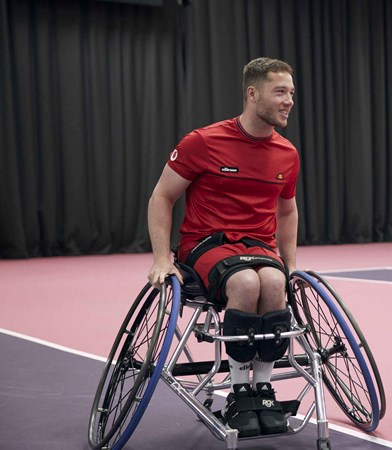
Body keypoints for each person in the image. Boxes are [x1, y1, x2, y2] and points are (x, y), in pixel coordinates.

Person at [146, 57, 300, 438]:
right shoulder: (203, 141)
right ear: (253, 93)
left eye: (292, 93)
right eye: (280, 92)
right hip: (205, 244)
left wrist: (290, 265)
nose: (289, 101)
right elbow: (162, 197)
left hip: (258, 245)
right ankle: (238, 391)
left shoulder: (287, 153)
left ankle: (261, 390)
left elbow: (287, 211)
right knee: (246, 284)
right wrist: (161, 259)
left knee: (275, 284)